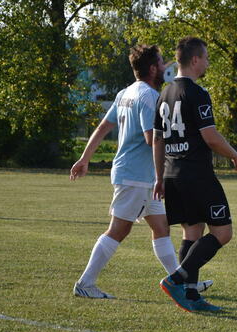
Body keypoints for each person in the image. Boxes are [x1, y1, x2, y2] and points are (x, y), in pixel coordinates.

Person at [70, 44, 211, 299]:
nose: (165, 66)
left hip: (143, 177)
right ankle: (85, 283)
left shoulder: (126, 92)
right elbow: (151, 138)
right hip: (135, 176)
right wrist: (185, 147)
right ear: (152, 68)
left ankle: (179, 281)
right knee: (118, 230)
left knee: (161, 228)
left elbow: (103, 127)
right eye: (161, 62)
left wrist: (85, 157)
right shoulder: (148, 96)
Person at [152, 37, 237, 312]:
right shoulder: (197, 93)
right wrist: (235, 155)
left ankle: (191, 297)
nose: (206, 63)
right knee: (223, 232)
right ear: (194, 60)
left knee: (192, 233)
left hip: (173, 174)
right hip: (197, 174)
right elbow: (211, 137)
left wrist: (159, 177)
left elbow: (157, 140)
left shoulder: (164, 94)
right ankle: (177, 280)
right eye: (205, 58)